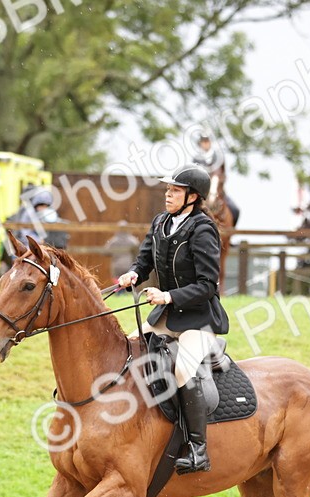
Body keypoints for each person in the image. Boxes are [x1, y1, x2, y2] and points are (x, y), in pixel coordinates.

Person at [116, 165, 230, 474]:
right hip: (167, 316)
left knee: (182, 371)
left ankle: (197, 449)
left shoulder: (203, 229)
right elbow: (144, 259)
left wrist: (168, 296)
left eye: (175, 191)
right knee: (126, 349)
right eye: (168, 190)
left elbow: (208, 286)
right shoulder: (161, 222)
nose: (168, 194)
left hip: (199, 320)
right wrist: (133, 274)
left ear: (193, 197)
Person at [191, 131, 239, 226]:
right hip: (201, 193)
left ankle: (230, 235)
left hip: (219, 192)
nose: (205, 143)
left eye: (207, 141)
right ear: (200, 143)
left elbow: (222, 174)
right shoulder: (196, 159)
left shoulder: (218, 157)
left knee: (235, 210)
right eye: (203, 141)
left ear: (210, 142)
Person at [5, 187, 69, 250]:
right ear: (36, 205)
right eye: (41, 205)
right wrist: (37, 240)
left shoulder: (50, 213)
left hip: (45, 245)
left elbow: (55, 224)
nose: (43, 208)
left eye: (46, 205)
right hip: (28, 243)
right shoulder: (28, 214)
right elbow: (25, 232)